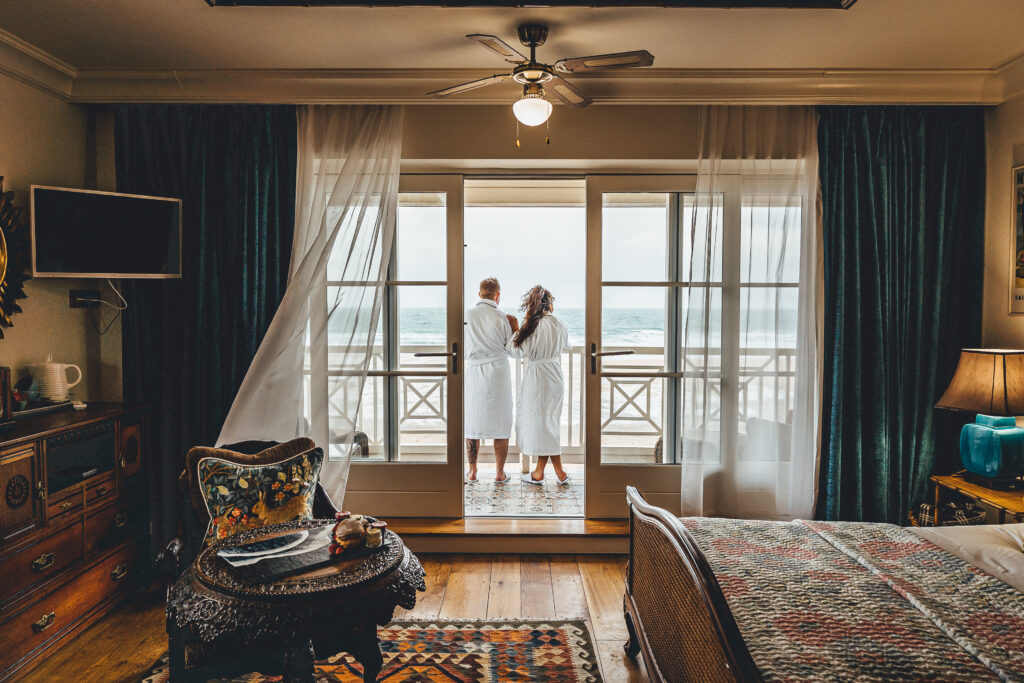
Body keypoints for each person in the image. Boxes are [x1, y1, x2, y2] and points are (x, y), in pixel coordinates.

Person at [507, 285, 572, 486]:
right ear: (550, 304)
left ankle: (553, 471)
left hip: (538, 377)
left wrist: (516, 329)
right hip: (555, 374)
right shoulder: (560, 324)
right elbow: (566, 346)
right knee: (549, 423)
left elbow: (515, 351)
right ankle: (543, 471)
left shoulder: (533, 326)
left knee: (543, 425)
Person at [464, 277, 519, 483]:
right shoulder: (504, 317)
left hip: (475, 373)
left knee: (472, 421)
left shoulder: (468, 315)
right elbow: (513, 352)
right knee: (501, 422)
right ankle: (499, 473)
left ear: (479, 294)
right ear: (498, 295)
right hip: (498, 373)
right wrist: (516, 330)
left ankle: (472, 471)